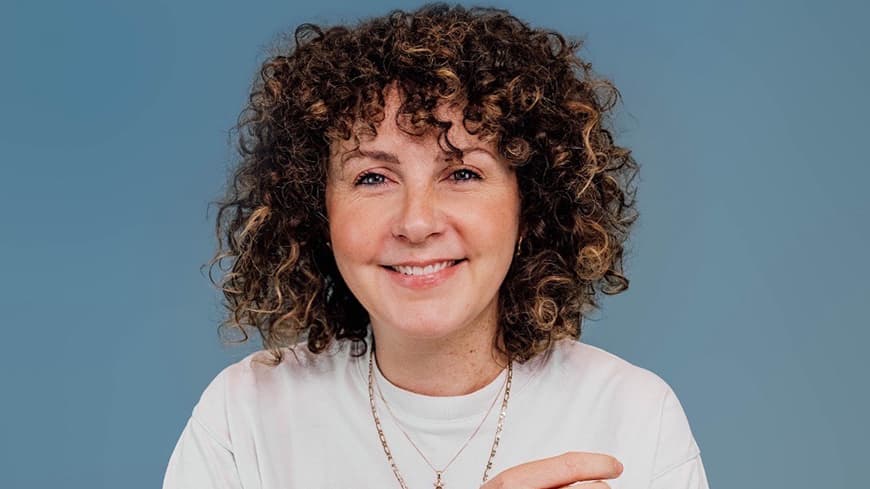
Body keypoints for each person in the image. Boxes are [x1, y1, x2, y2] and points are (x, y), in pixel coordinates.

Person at [162, 4, 710, 488]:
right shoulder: (246, 414)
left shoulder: (634, 414)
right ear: (316, 210)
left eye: (464, 173)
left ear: (530, 207)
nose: (417, 222)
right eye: (373, 178)